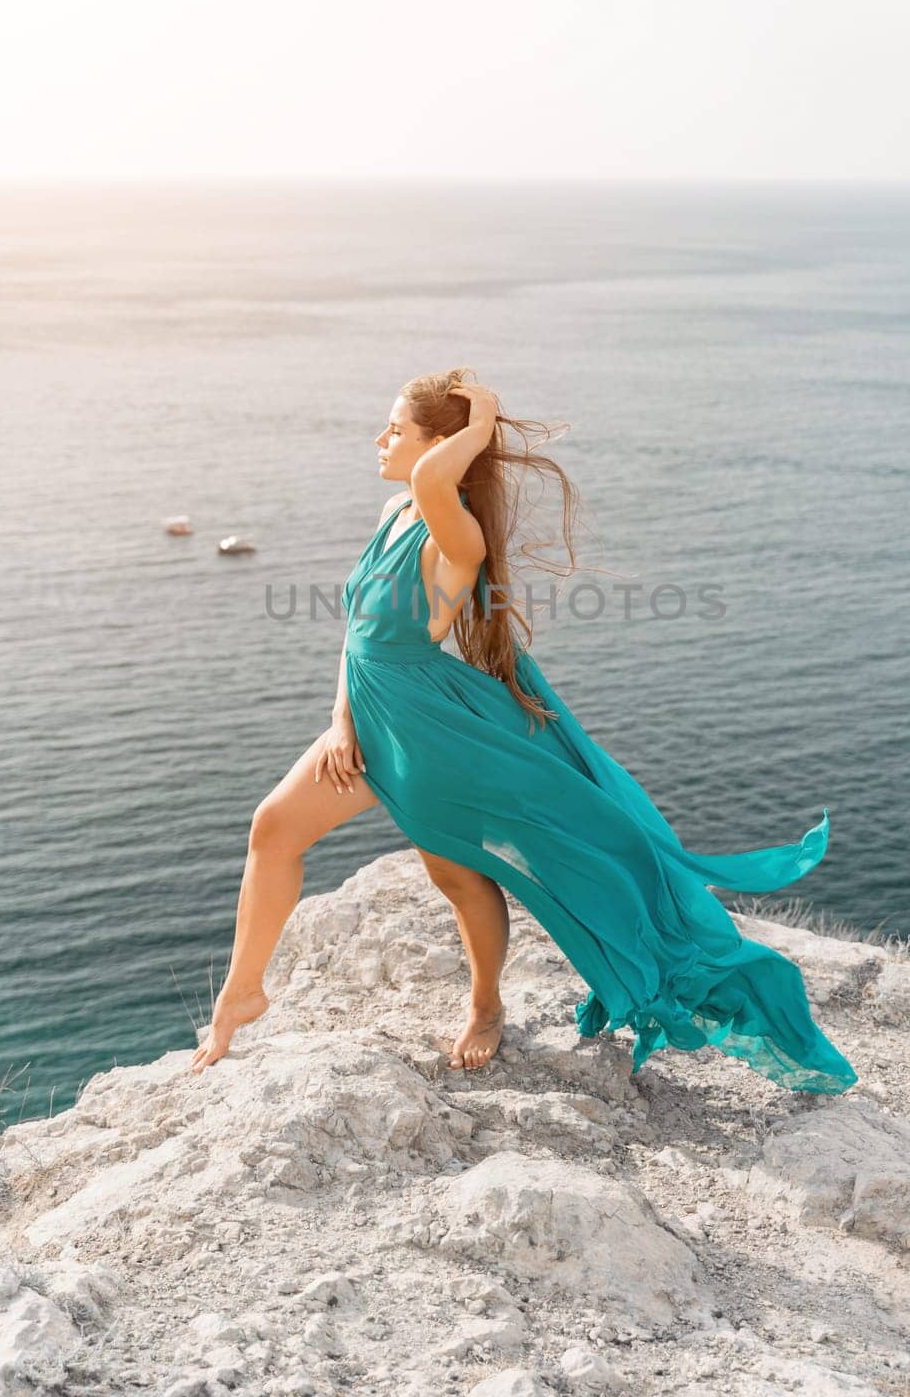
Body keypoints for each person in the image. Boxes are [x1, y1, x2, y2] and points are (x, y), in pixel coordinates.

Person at [191, 367, 857, 1093]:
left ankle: (485, 1005)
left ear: (440, 448)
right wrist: (339, 719)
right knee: (272, 830)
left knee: (455, 871)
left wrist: (478, 431)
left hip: (431, 731)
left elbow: (433, 492)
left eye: (396, 430)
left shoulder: (454, 532)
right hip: (370, 714)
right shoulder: (394, 512)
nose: (378, 439)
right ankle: (241, 993)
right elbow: (358, 632)